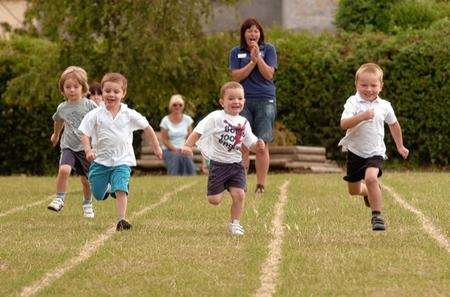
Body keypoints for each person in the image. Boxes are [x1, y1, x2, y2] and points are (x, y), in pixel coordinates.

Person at [79, 73, 162, 231]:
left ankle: (122, 220)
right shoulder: (95, 114)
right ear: (102, 92)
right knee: (97, 194)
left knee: (121, 188)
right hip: (100, 161)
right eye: (107, 91)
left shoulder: (129, 114)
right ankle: (109, 189)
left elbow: (147, 127)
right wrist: (88, 150)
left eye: (116, 92)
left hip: (122, 160)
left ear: (123, 94)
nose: (111, 94)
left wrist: (156, 147)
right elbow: (84, 132)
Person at [182, 82, 265, 236]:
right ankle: (220, 187)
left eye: (240, 98)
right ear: (222, 102)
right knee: (214, 200)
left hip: (236, 165)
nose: (236, 102)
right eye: (231, 98)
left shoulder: (244, 122)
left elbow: (250, 143)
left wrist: (257, 146)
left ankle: (235, 224)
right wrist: (188, 145)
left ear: (244, 101)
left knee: (240, 195)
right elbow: (198, 131)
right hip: (218, 165)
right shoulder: (216, 117)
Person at [338, 63, 409, 231]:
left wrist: (400, 146)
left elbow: (394, 125)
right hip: (355, 152)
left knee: (371, 178)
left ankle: (377, 217)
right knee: (353, 190)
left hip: (375, 152)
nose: (369, 89)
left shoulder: (384, 105)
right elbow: (343, 124)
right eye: (364, 85)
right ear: (356, 85)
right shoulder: (353, 102)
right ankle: (369, 193)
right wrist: (361, 116)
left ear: (381, 86)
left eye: (373, 85)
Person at [229, 17, 277, 194]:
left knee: (261, 143)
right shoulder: (236, 52)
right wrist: (251, 62)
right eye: (249, 30)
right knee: (242, 143)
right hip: (243, 102)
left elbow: (269, 75)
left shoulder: (269, 49)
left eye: (256, 31)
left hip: (266, 100)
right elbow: (236, 77)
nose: (253, 33)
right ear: (244, 33)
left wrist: (259, 58)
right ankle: (241, 183)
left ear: (260, 34)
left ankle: (261, 185)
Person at [48, 66, 97, 218]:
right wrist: (56, 135)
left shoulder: (89, 105)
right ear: (62, 90)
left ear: (83, 88)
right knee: (64, 170)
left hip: (85, 148)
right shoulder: (62, 108)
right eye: (68, 87)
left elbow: (99, 121)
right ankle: (59, 199)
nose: (72, 90)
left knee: (86, 180)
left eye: (76, 86)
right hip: (68, 145)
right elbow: (58, 121)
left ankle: (87, 204)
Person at [160, 94, 196, 175]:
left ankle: (191, 177)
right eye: (175, 105)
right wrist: (174, 149)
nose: (177, 107)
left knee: (186, 156)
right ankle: (173, 177)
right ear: (171, 106)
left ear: (182, 106)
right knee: (176, 157)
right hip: (168, 150)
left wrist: (185, 148)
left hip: (184, 148)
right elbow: (164, 140)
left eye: (180, 105)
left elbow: (191, 137)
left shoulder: (188, 120)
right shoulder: (165, 120)